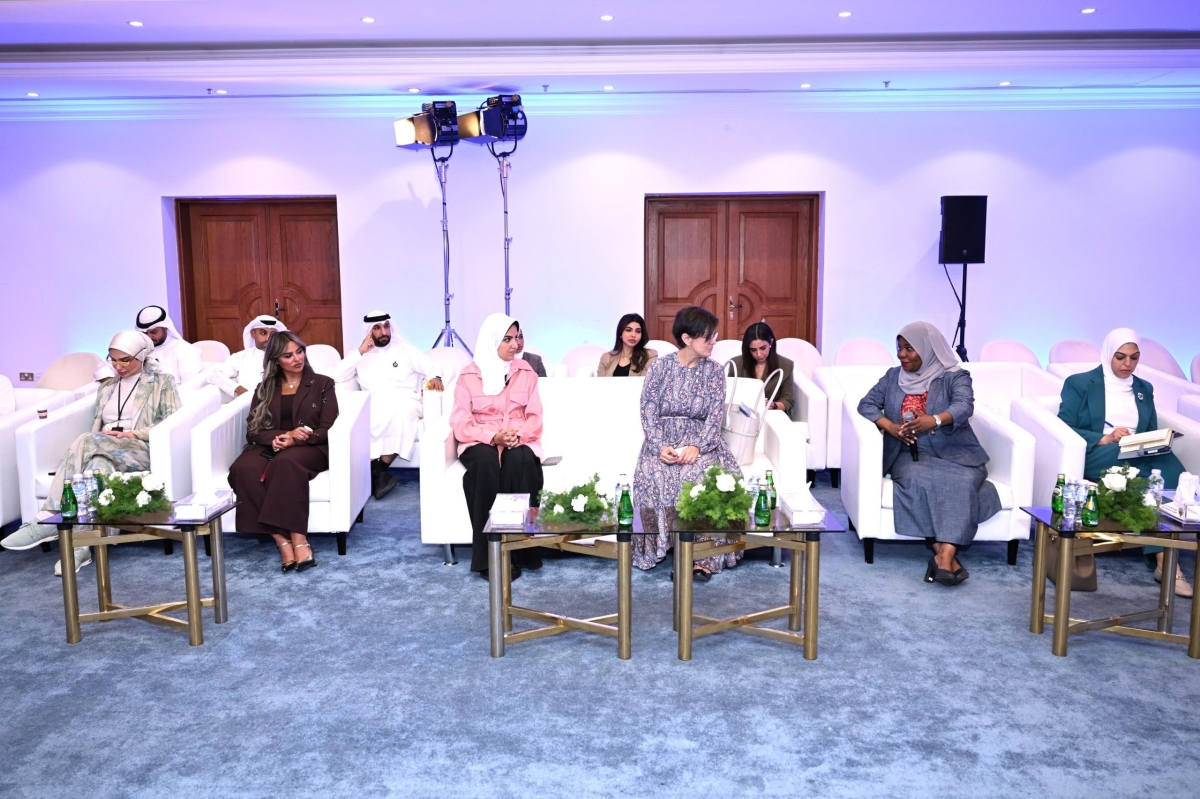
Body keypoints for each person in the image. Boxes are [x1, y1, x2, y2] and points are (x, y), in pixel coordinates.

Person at [1, 331, 181, 575]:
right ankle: (81, 547)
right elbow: (99, 426)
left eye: (125, 360)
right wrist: (102, 443)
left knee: (87, 440)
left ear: (141, 356)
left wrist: (133, 434)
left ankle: (49, 515)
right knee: (96, 466)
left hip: (140, 449)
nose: (118, 366)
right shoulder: (107, 387)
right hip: (105, 447)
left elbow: (172, 421)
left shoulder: (162, 383)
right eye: (113, 360)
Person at [857, 321, 1000, 586]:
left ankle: (943, 558)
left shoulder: (955, 376)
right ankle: (947, 558)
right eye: (899, 347)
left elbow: (964, 406)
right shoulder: (892, 377)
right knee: (916, 481)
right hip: (909, 455)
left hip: (956, 453)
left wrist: (934, 420)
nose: (902, 354)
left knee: (963, 482)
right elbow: (866, 404)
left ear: (929, 349)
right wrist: (891, 427)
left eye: (909, 348)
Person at [1058, 328, 1192, 597]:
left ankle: (1166, 556)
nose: (1127, 364)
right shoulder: (1080, 383)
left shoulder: (1144, 388)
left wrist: (1154, 441)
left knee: (1173, 470)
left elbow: (1149, 428)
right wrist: (1105, 437)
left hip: (1135, 451)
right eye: (1120, 357)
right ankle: (1167, 562)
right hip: (1098, 451)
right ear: (1108, 353)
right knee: (1147, 474)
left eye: (1134, 358)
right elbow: (1064, 425)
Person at [632, 306, 743, 580]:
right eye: (708, 337)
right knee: (653, 473)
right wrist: (660, 446)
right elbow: (648, 410)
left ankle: (701, 557)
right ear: (687, 338)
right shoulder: (660, 367)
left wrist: (699, 446)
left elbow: (715, 415)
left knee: (700, 475)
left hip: (702, 440)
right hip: (663, 440)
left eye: (714, 335)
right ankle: (660, 547)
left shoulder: (715, 371)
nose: (714, 341)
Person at [227, 332, 338, 573]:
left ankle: (298, 537)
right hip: (271, 444)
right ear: (275, 360)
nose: (297, 358)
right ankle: (281, 539)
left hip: (311, 447)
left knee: (286, 463)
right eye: (288, 355)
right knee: (243, 468)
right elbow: (254, 430)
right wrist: (279, 437)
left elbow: (328, 427)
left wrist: (297, 438)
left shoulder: (323, 384)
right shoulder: (264, 388)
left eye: (300, 351)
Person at [450, 313, 545, 579]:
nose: (515, 344)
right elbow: (460, 422)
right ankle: (490, 557)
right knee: (486, 463)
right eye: (507, 339)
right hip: (480, 439)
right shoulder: (468, 376)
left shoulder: (526, 372)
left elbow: (535, 417)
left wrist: (518, 435)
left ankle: (517, 551)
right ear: (492, 341)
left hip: (518, 436)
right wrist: (493, 437)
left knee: (519, 461)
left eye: (516, 338)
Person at [333, 311, 443, 499]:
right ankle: (378, 475)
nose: (383, 332)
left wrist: (435, 377)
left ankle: (375, 470)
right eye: (377, 328)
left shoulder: (404, 350)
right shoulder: (360, 355)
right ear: (369, 331)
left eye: (386, 326)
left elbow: (432, 366)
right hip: (374, 402)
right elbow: (337, 376)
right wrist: (360, 352)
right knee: (367, 414)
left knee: (401, 414)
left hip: (405, 399)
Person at [95, 305, 204, 386]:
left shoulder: (184, 350)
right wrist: (111, 383)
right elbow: (104, 367)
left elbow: (191, 387)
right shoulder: (136, 347)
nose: (149, 337)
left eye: (154, 332)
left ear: (165, 328)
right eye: (144, 333)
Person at [206, 315, 287, 400]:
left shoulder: (287, 357)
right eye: (263, 333)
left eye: (273, 334)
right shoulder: (241, 357)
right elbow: (215, 375)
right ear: (253, 334)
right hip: (248, 404)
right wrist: (237, 388)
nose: (268, 338)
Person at [730, 321, 795, 413]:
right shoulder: (736, 364)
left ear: (771, 342)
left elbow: (788, 401)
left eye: (763, 348)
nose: (759, 354)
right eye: (753, 350)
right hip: (743, 414)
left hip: (772, 414)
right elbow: (730, 395)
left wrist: (773, 405)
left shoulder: (785, 365)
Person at [598, 313, 658, 377]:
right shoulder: (606, 357)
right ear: (620, 333)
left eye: (638, 331)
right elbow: (600, 382)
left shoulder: (650, 355)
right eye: (628, 330)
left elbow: (646, 381)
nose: (633, 335)